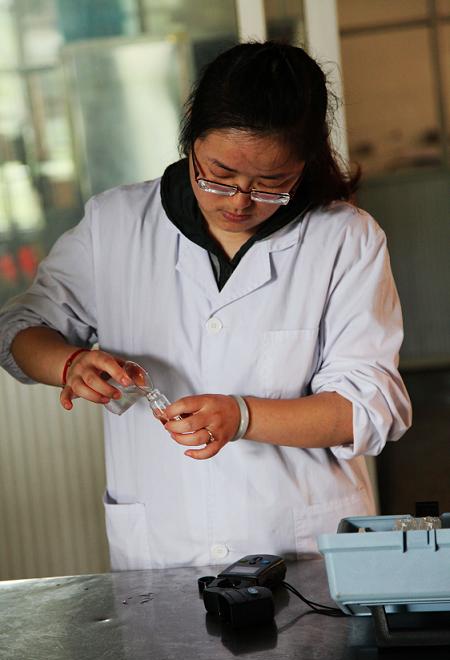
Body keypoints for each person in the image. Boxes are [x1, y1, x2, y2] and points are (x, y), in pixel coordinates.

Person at [0, 41, 411, 570]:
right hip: (162, 548)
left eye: (271, 184)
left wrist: (244, 416)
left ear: (304, 164)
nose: (239, 201)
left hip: (301, 549)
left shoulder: (344, 238)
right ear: (191, 138)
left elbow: (370, 407)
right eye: (219, 174)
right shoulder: (116, 223)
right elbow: (21, 326)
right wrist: (69, 363)